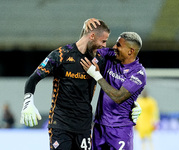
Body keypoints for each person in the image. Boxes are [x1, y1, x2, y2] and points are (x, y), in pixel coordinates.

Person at [20, 18, 141, 150]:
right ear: (92, 36)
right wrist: (28, 102)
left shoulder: (100, 57)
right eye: (103, 41)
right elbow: (33, 79)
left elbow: (124, 68)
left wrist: (131, 102)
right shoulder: (61, 55)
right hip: (60, 125)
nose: (105, 45)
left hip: (84, 127)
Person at [81, 28, 146, 149]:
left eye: (119, 45)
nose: (114, 47)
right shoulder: (112, 56)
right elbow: (96, 52)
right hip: (99, 126)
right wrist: (95, 60)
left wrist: (97, 76)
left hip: (120, 130)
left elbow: (118, 97)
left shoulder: (138, 73)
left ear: (130, 51)